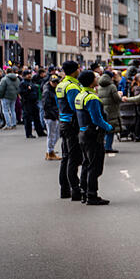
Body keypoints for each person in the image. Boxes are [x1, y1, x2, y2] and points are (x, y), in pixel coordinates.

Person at [73, 70, 112, 206]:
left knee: (86, 164)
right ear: (91, 82)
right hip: (93, 135)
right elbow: (97, 119)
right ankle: (92, 195)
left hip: (82, 133)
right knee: (95, 167)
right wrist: (108, 127)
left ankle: (84, 192)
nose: (98, 79)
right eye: (95, 77)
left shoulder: (80, 95)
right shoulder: (92, 98)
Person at [56, 60, 84, 201]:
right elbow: (76, 106)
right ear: (74, 71)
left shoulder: (61, 84)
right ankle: (75, 189)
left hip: (64, 122)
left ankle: (64, 189)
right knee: (73, 157)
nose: (79, 71)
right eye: (78, 69)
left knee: (66, 157)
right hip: (72, 124)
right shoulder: (72, 87)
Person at [98, 70, 123, 155]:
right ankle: (108, 147)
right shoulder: (112, 86)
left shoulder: (99, 86)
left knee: (105, 128)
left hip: (103, 109)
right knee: (111, 130)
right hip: (112, 110)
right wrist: (120, 95)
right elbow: (116, 99)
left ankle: (105, 145)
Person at [19, 70, 45, 139]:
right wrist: (28, 90)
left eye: (30, 74)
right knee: (28, 119)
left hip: (34, 102)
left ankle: (40, 132)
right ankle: (29, 133)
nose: (29, 75)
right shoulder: (23, 83)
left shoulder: (31, 82)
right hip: (27, 103)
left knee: (37, 118)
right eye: (27, 74)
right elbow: (21, 92)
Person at [42, 74, 61, 160]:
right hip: (50, 116)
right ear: (50, 82)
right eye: (53, 82)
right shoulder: (47, 91)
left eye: (56, 82)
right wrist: (53, 114)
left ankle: (50, 151)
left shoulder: (53, 90)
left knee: (55, 134)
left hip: (54, 114)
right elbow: (46, 105)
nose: (55, 83)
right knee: (52, 135)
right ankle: (50, 151)